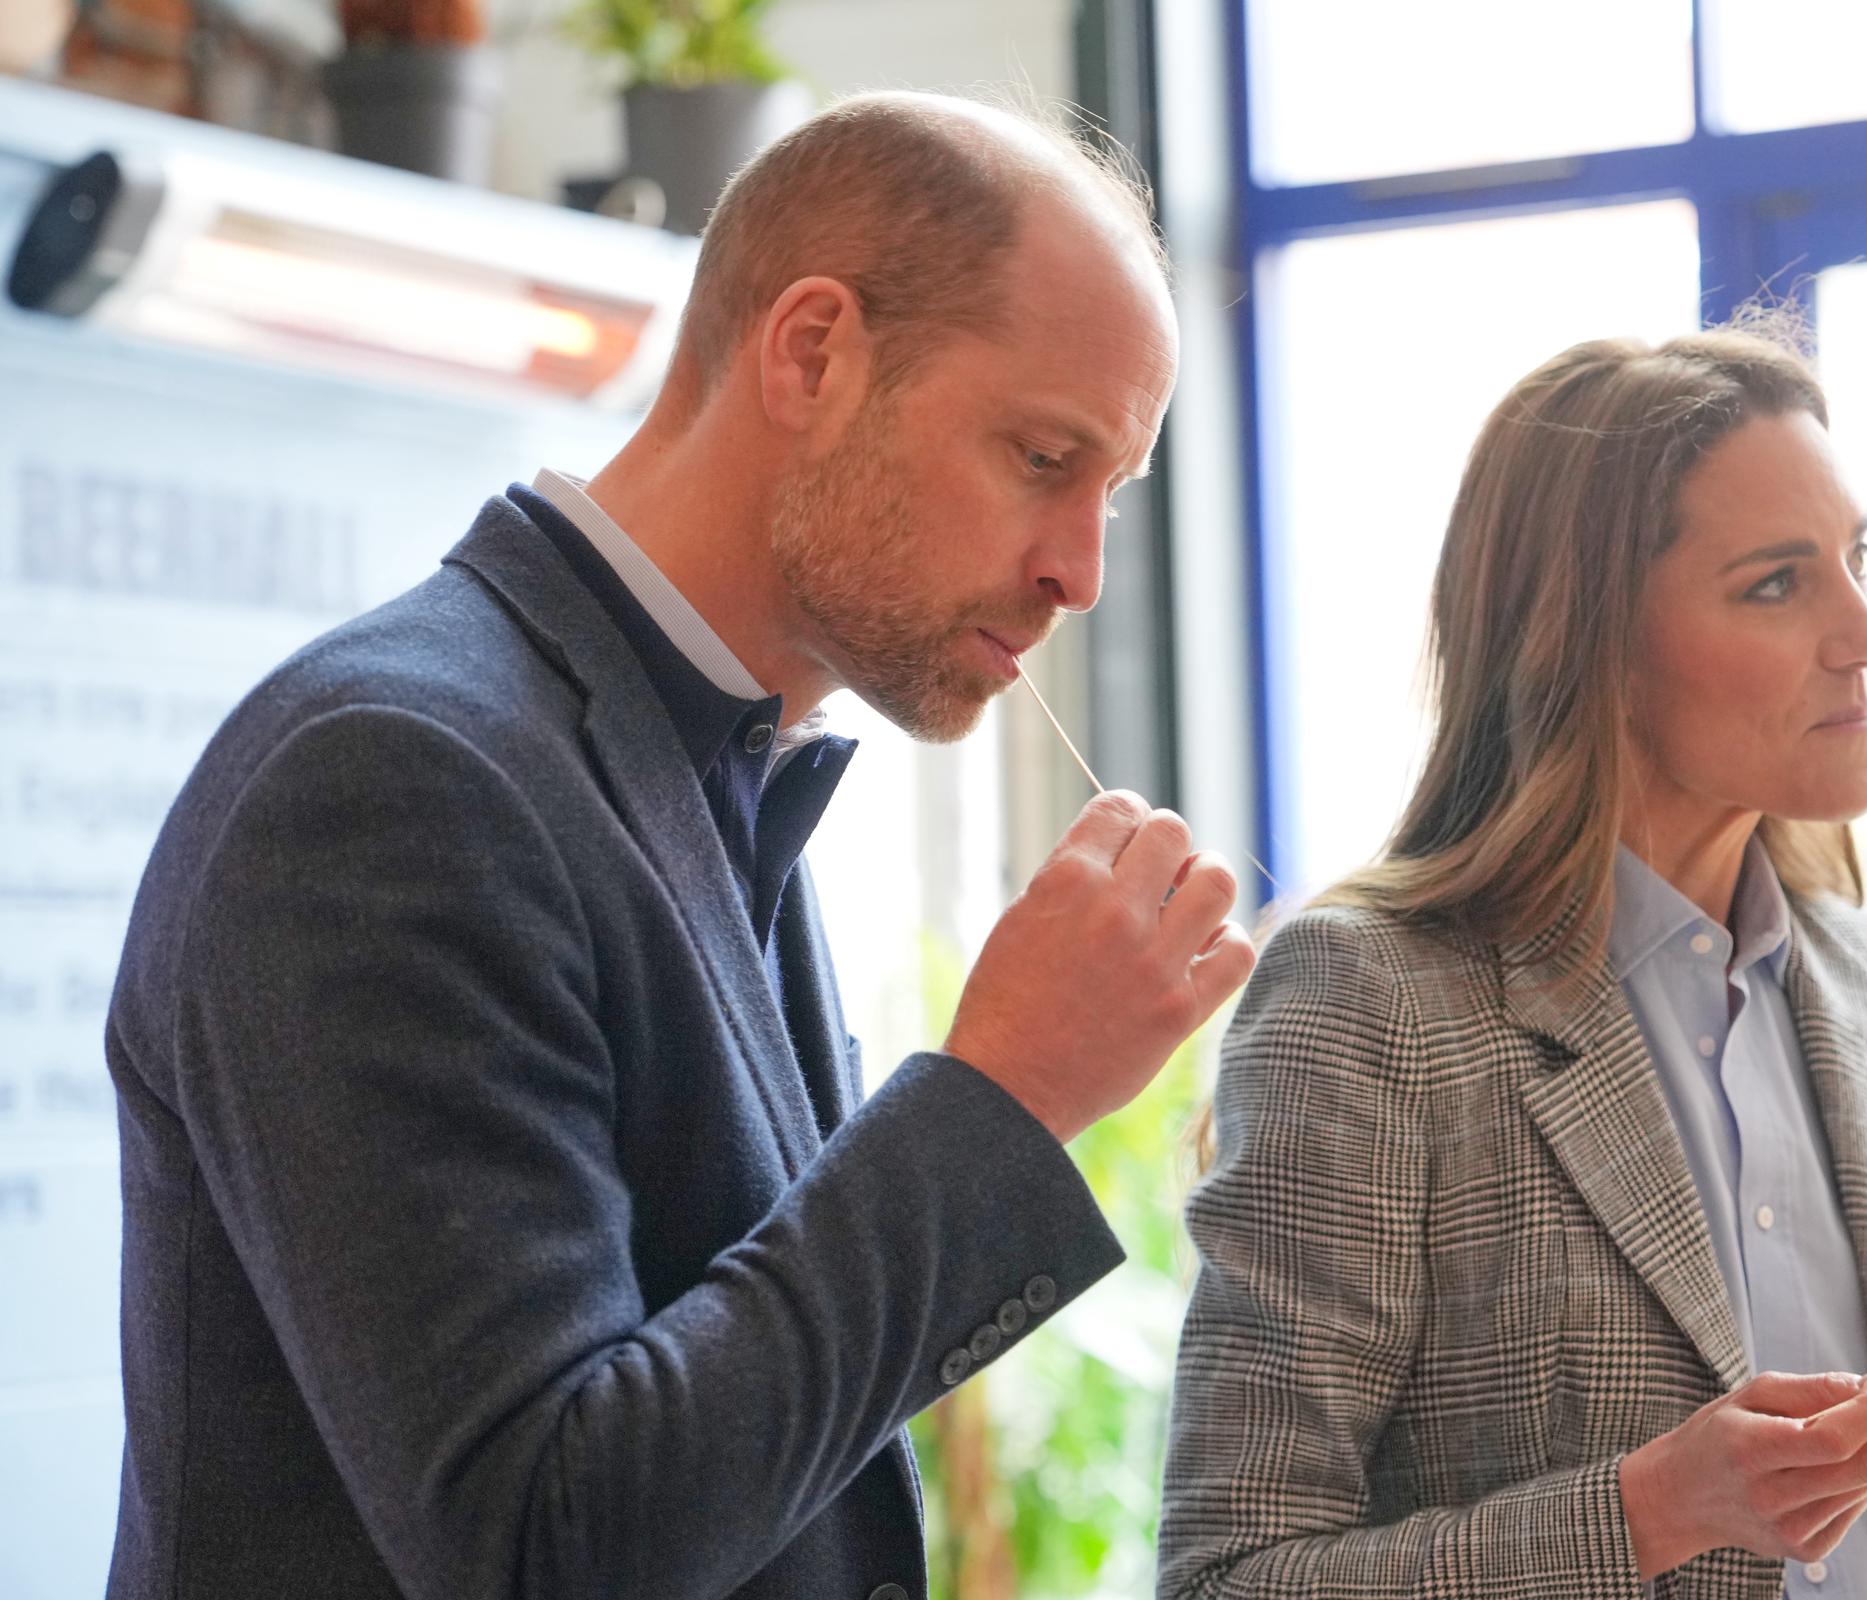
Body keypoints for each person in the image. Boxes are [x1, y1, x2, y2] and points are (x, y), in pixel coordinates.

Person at [102, 92, 1254, 1600]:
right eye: (1045, 458)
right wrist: (1008, 1092)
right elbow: (548, 1546)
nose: (1080, 571)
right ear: (813, 352)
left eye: (1114, 490)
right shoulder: (394, 776)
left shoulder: (709, 759)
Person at [1160, 326, 1867, 1599]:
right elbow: (1232, 1576)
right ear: (1593, 644)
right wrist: (1651, 1510)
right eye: (1778, 583)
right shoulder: (1369, 1004)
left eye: (1856, 561)